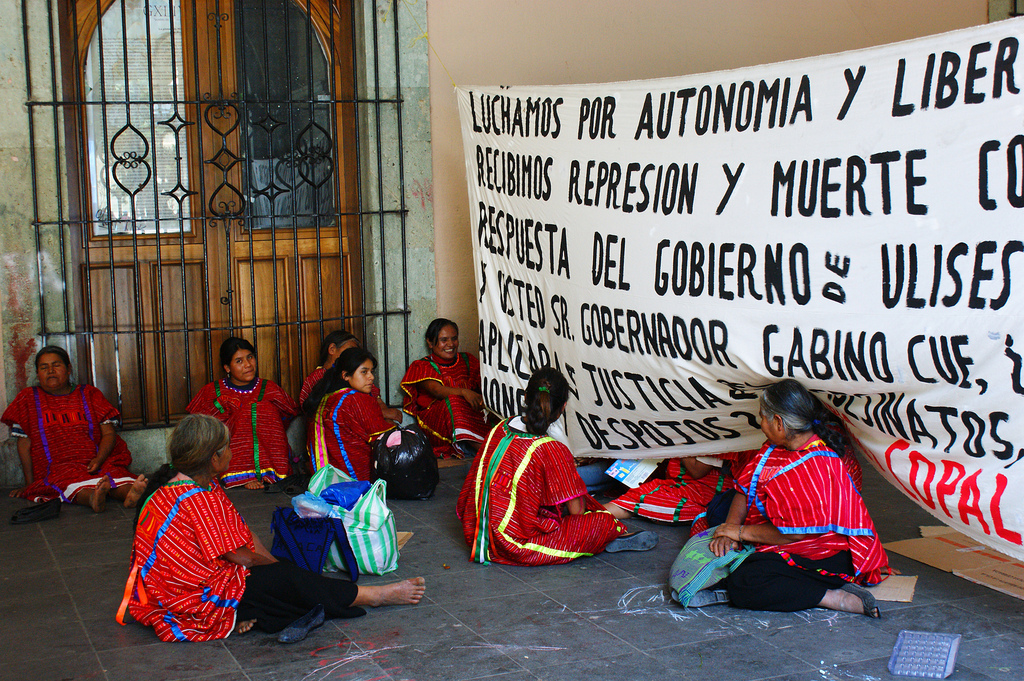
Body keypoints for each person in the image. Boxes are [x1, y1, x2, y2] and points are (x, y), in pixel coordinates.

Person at [122, 414, 425, 642]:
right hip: (189, 599)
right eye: (227, 448)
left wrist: (278, 568)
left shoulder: (178, 486)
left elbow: (241, 536)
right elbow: (243, 557)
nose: (231, 453)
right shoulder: (197, 498)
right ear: (214, 459)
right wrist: (283, 574)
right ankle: (374, 595)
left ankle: (258, 611)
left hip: (170, 590)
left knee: (286, 575)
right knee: (289, 579)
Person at [700, 379, 889, 616]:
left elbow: (796, 533)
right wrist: (731, 527)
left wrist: (737, 533)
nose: (761, 424)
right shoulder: (775, 447)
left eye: (762, 417)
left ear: (779, 423)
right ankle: (808, 583)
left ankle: (833, 597)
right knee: (719, 510)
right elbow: (744, 488)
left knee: (745, 582)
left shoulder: (816, 464)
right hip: (785, 536)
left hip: (826, 552)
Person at [457, 367, 658, 566]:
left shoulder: (499, 428)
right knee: (601, 522)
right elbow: (576, 511)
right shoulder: (552, 449)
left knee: (566, 497)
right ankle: (607, 537)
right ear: (563, 408)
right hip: (510, 543)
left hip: (472, 529)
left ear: (526, 397)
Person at [2, 345, 145, 512]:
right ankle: (93, 497)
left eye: (56, 365)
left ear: (68, 369)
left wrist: (98, 459)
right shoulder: (27, 399)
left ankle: (130, 495)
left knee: (115, 476)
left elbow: (108, 433)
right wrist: (30, 484)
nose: (50, 371)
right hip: (57, 467)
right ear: (37, 373)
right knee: (68, 482)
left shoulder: (89, 394)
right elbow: (24, 445)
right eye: (44, 367)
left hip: (96, 460)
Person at [186, 337, 300, 489]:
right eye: (239, 361)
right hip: (228, 454)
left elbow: (287, 416)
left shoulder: (269, 388)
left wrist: (262, 421)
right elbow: (201, 427)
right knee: (247, 412)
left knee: (262, 410)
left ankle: (271, 472)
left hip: (270, 452)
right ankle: (243, 476)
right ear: (227, 367)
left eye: (250, 357)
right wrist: (237, 418)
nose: (247, 365)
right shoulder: (213, 391)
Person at [303, 347, 398, 480]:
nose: (371, 377)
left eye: (371, 371)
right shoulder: (356, 399)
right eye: (364, 372)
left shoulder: (326, 398)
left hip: (321, 481)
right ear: (345, 375)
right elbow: (383, 438)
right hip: (355, 478)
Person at [401, 318, 489, 458]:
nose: (450, 344)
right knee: (453, 402)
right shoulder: (422, 366)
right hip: (438, 426)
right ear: (430, 342)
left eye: (454, 339)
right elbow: (438, 391)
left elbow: (486, 384)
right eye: (444, 340)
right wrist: (464, 392)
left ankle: (488, 444)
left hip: (472, 417)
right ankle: (486, 450)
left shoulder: (468, 360)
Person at [603, 454, 742, 536]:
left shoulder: (711, 431)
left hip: (703, 489)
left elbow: (697, 471)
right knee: (638, 493)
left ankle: (590, 514)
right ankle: (590, 514)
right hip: (679, 481)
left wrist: (678, 442)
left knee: (643, 496)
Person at [300, 330, 403, 422]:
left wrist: (383, 410)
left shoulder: (355, 376)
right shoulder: (318, 377)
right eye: (349, 351)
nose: (371, 377)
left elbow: (375, 396)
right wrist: (380, 413)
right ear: (332, 349)